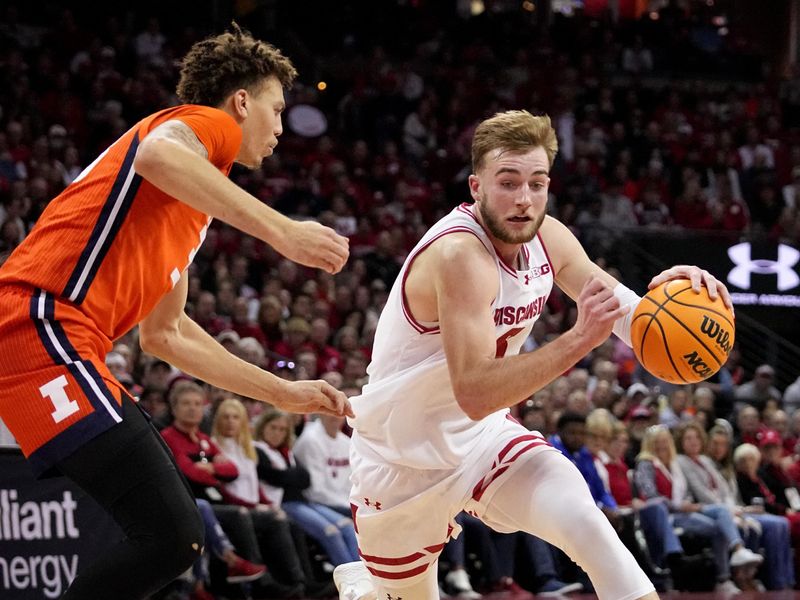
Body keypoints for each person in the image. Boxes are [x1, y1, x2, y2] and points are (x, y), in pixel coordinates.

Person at [0, 24, 352, 600]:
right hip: (39, 325)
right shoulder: (202, 127)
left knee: (170, 537)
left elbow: (165, 336)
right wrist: (283, 232)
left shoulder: (191, 203)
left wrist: (281, 394)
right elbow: (159, 154)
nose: (281, 129)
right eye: (276, 109)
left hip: (51, 339)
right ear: (241, 102)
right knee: (171, 535)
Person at [332, 110, 733, 600]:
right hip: (400, 463)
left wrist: (679, 305)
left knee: (589, 526)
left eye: (537, 183)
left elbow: (625, 314)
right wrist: (577, 341)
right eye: (508, 183)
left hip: (483, 443)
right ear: (476, 186)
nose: (524, 199)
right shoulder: (460, 256)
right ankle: (367, 590)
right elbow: (475, 391)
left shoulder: (551, 237)